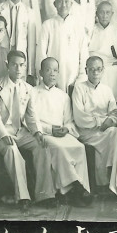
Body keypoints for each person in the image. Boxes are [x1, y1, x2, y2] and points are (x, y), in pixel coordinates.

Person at [0, 50, 53, 210]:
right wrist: (3, 134)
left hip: (20, 131)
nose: (18, 69)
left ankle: (45, 195)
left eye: (21, 65)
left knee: (42, 146)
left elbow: (31, 116)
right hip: (0, 131)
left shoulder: (28, 88)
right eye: (14, 65)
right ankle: (23, 197)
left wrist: (38, 132)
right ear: (7, 65)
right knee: (12, 150)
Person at [32, 57, 92, 206]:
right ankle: (75, 189)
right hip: (44, 133)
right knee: (58, 148)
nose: (52, 74)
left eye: (55, 70)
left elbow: (69, 121)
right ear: (40, 73)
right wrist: (49, 129)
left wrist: (66, 128)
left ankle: (81, 187)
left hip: (61, 133)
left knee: (79, 147)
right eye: (48, 70)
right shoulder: (32, 93)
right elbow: (30, 120)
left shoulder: (63, 96)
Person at [72, 56, 117, 188]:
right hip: (87, 132)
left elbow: (114, 112)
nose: (95, 73)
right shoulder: (79, 88)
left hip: (106, 129)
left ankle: (112, 179)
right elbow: (80, 117)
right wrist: (102, 121)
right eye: (92, 69)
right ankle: (106, 181)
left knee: (115, 133)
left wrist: (110, 120)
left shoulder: (107, 90)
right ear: (86, 71)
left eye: (99, 69)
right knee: (113, 134)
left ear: (103, 70)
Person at [38, 0, 88, 92]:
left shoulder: (78, 26)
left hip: (74, 75)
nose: (63, 5)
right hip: (53, 75)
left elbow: (84, 54)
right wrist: (46, 78)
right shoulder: (47, 25)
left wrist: (81, 78)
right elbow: (41, 53)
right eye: (60, 1)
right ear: (55, 4)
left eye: (66, 1)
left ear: (71, 3)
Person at [88, 1, 117, 102]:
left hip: (110, 63)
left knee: (115, 70)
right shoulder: (91, 30)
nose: (104, 16)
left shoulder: (116, 32)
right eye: (101, 12)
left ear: (112, 14)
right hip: (93, 62)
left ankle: (116, 102)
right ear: (97, 14)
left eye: (107, 12)